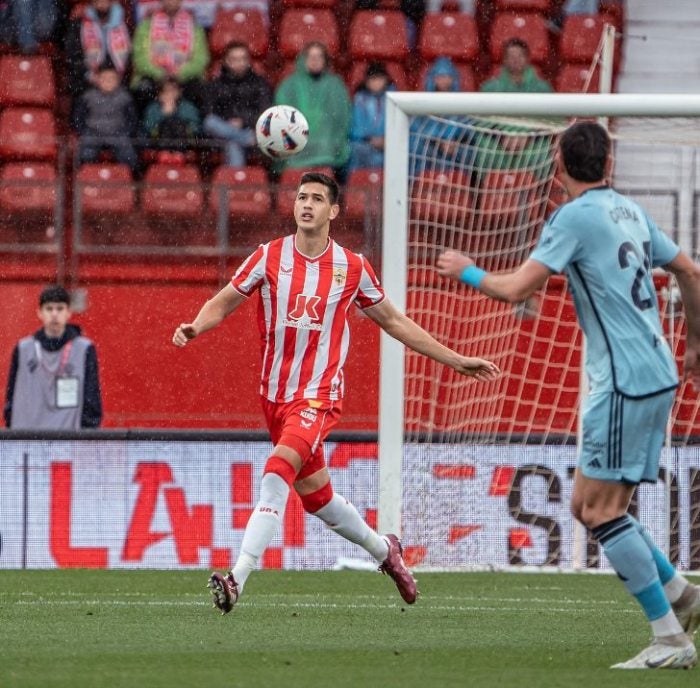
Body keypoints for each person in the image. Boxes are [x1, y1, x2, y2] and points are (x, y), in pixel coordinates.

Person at [172, 171, 500, 614]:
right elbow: (224, 301)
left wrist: (456, 359)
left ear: (333, 211)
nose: (306, 204)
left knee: (275, 475)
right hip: (274, 397)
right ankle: (386, 551)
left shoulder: (352, 267)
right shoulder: (267, 257)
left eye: (316, 199)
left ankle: (236, 579)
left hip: (317, 397)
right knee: (318, 500)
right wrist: (196, 325)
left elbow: (396, 322)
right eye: (301, 197)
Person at [436, 121, 700, 670]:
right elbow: (688, 269)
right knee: (588, 505)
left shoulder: (573, 217)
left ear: (557, 167)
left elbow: (516, 288)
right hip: (653, 370)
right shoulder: (629, 210)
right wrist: (694, 341)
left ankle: (670, 638)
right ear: (608, 164)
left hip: (626, 381)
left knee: (601, 510)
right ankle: (679, 593)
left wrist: (468, 270)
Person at [4, 285, 103, 430]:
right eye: (49, 309)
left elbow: (92, 399)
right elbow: (11, 398)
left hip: (69, 441)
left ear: (69, 312)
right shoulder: (23, 349)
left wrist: (87, 434)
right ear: (39, 313)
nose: (54, 314)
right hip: (28, 440)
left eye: (60, 308)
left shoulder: (84, 349)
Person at [274, 42, 351, 180]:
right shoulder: (289, 85)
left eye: (319, 56)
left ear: (325, 60)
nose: (315, 60)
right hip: (297, 145)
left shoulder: (335, 85)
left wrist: (334, 141)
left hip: (327, 146)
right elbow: (282, 118)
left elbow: (342, 119)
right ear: (303, 59)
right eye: (310, 56)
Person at [202, 41, 273, 168]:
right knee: (210, 122)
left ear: (249, 61)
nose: (239, 63)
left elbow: (265, 114)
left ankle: (234, 185)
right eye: (234, 59)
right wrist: (228, 122)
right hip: (222, 132)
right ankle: (244, 138)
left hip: (250, 129)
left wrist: (243, 121)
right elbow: (208, 112)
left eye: (243, 59)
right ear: (226, 61)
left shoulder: (259, 83)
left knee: (233, 144)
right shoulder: (216, 84)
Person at [130, 0, 209, 112]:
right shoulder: (146, 26)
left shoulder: (195, 27)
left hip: (184, 76)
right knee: (143, 89)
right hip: (154, 76)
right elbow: (140, 59)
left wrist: (180, 73)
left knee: (198, 90)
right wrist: (160, 74)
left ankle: (192, 126)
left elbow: (201, 59)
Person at [409, 57, 476, 176]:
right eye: (440, 77)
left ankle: (464, 188)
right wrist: (438, 142)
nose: (444, 81)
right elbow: (417, 129)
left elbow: (469, 129)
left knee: (469, 152)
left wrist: (455, 141)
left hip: (456, 147)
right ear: (433, 79)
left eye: (447, 76)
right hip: (429, 147)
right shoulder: (423, 103)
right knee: (418, 149)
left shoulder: (462, 103)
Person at [65, 0, 132, 103]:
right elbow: (72, 56)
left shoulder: (125, 22)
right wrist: (90, 76)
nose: (102, 3)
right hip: (87, 79)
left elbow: (131, 56)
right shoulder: (80, 24)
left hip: (119, 79)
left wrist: (113, 78)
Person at [73, 65, 139, 170]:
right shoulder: (87, 97)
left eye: (112, 78)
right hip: (93, 133)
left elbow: (132, 120)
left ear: (118, 80)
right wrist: (84, 131)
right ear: (97, 79)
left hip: (118, 134)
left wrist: (125, 132)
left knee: (129, 156)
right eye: (104, 78)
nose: (108, 82)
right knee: (85, 155)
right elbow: (78, 118)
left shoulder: (125, 97)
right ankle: (87, 181)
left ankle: (126, 182)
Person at [348, 61, 393, 172]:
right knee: (355, 150)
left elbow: (397, 124)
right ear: (366, 81)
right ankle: (359, 183)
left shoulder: (393, 99)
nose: (376, 83)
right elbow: (356, 125)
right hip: (364, 143)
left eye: (380, 79)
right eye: (373, 79)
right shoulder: (360, 99)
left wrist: (387, 139)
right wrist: (370, 138)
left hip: (389, 143)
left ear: (386, 80)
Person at [142, 76, 201, 154]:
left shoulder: (188, 107)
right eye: (166, 91)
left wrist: (175, 113)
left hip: (184, 146)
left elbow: (196, 127)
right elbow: (148, 128)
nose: (170, 94)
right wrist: (163, 114)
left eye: (173, 90)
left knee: (175, 124)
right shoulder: (153, 108)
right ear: (160, 94)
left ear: (179, 92)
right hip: (158, 147)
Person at [480, 38, 553, 94]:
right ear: (504, 59)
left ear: (527, 59)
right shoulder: (490, 88)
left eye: (520, 56)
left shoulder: (542, 88)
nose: (516, 60)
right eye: (511, 56)